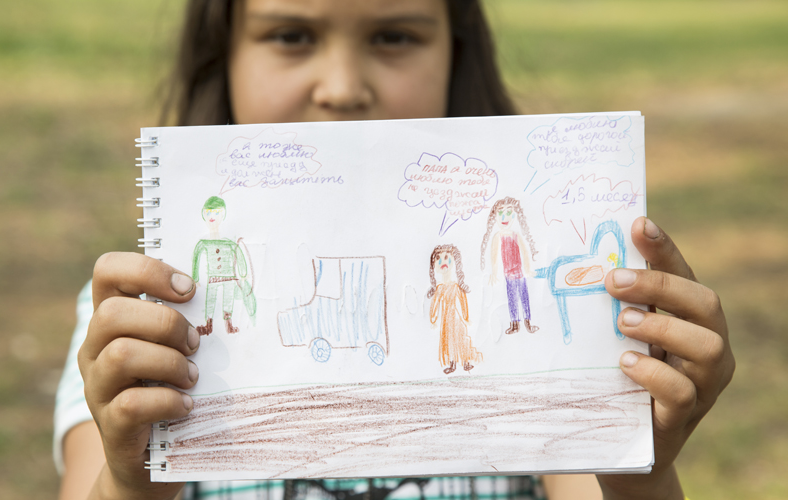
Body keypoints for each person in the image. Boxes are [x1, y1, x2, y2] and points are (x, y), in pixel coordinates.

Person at [55, 1, 736, 499]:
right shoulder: (134, 320)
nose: (344, 88)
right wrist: (131, 479)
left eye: (395, 35)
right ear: (222, 53)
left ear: (456, 50)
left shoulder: (509, 271)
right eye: (290, 35)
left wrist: (634, 463)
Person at [191, 196, 256, 335]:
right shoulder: (204, 242)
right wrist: (195, 278)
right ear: (204, 215)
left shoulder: (228, 242)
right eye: (208, 213)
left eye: (216, 213)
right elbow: (196, 256)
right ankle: (209, 325)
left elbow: (238, 253)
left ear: (223, 214)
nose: (212, 216)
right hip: (213, 277)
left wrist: (243, 275)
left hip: (228, 278)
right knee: (210, 299)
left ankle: (229, 324)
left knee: (228, 299)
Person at [480, 197, 540, 335]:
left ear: (514, 215)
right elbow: (494, 256)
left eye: (508, 213)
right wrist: (494, 273)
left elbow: (524, 252)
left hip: (520, 273)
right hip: (508, 275)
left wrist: (528, 269)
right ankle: (514, 324)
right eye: (500, 213)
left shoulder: (516, 235)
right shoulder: (497, 236)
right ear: (494, 216)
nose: (504, 217)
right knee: (512, 299)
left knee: (524, 297)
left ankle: (528, 323)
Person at [427, 244, 483, 374]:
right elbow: (434, 306)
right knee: (449, 342)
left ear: (454, 260)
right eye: (438, 259)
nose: (443, 262)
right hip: (446, 321)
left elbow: (463, 302)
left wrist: (466, 317)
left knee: (460, 339)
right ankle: (452, 364)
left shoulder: (456, 287)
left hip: (457, 319)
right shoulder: (439, 288)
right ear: (434, 266)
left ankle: (466, 362)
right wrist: (433, 320)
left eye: (447, 257)